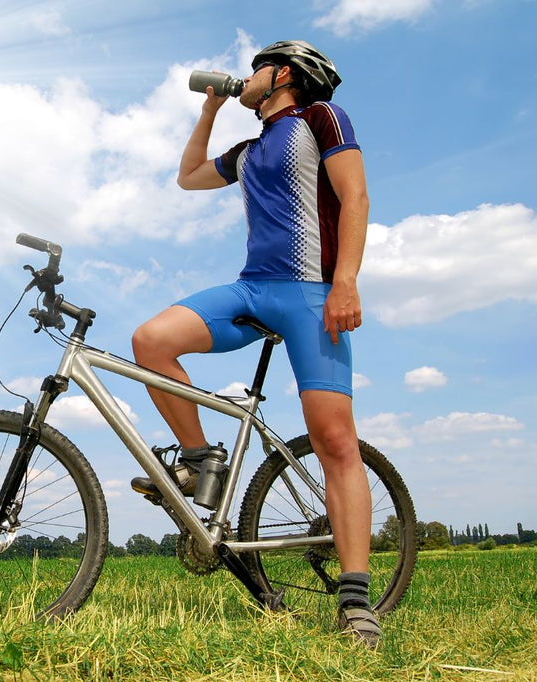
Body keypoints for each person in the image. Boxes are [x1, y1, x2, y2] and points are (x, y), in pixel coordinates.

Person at [130, 40, 379, 647]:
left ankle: (355, 599)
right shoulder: (250, 148)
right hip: (252, 290)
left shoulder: (320, 118)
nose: (244, 78)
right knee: (151, 341)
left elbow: (355, 196)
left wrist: (345, 281)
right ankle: (201, 460)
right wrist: (210, 111)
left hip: (312, 295)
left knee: (335, 440)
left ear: (283, 75)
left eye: (253, 70)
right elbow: (189, 178)